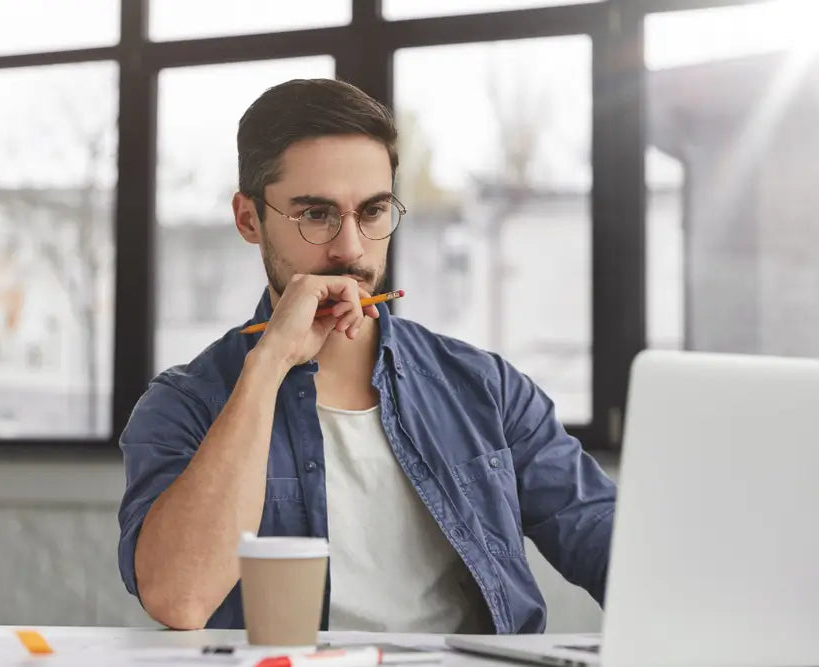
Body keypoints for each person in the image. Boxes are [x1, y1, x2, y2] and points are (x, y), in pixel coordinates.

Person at [117, 78, 616, 635]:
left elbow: (610, 542)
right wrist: (268, 364)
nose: (351, 249)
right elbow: (180, 598)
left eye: (373, 212)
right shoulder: (184, 403)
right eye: (315, 214)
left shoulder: (486, 388)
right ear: (249, 219)